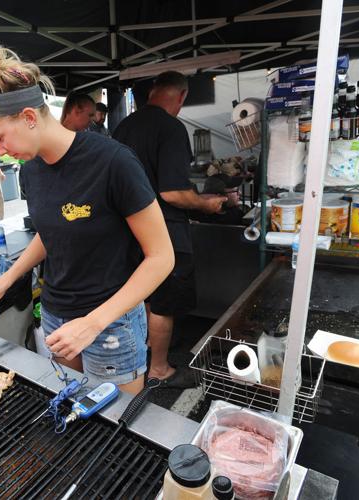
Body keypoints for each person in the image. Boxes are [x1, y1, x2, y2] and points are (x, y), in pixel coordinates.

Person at [0, 42, 174, 394]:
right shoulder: (30, 171)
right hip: (57, 314)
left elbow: (162, 257)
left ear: (29, 117)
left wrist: (93, 323)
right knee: (74, 410)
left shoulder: (114, 162)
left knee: (114, 427)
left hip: (111, 320)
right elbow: (52, 232)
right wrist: (7, 278)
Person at [113, 71, 226, 388]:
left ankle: (149, 349)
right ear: (181, 96)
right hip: (163, 233)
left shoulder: (123, 126)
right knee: (164, 303)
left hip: (125, 232)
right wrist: (205, 204)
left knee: (143, 297)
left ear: (152, 92)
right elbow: (173, 193)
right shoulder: (172, 128)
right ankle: (159, 369)